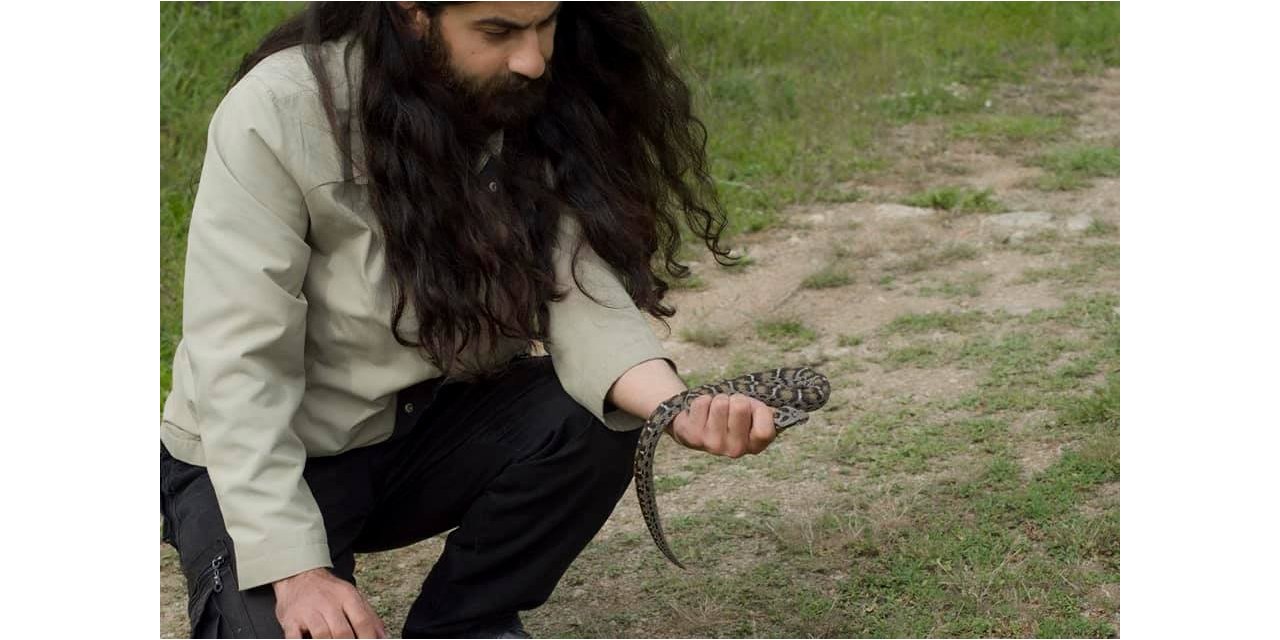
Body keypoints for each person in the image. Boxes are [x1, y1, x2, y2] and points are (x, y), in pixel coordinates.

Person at [160, 2, 781, 638]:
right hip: (263, 459)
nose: (532, 59)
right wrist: (296, 572)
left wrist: (679, 409)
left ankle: (467, 624)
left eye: (546, 23)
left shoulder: (527, 99)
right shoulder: (277, 109)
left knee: (589, 416)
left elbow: (581, 297)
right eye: (498, 31)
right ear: (413, 13)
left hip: (420, 436)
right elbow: (240, 362)